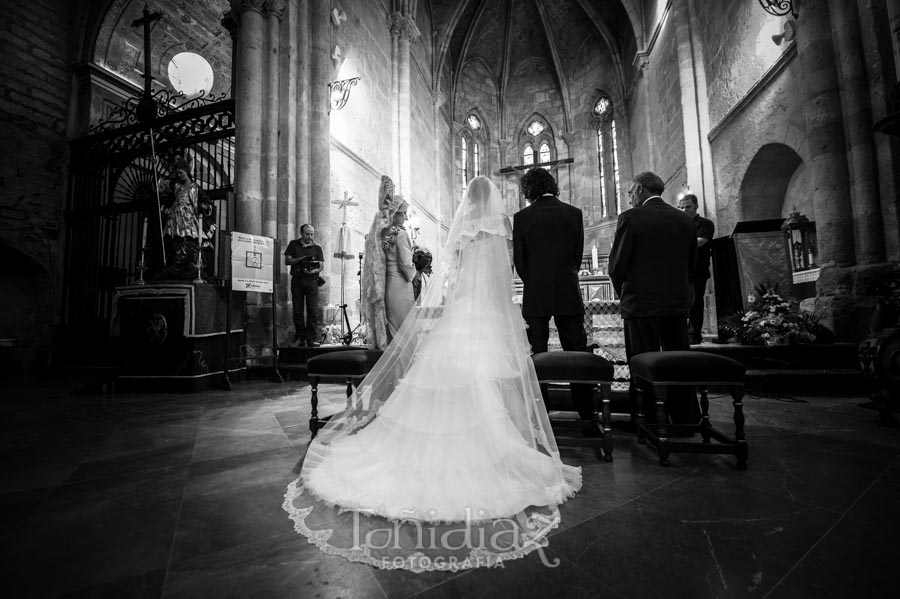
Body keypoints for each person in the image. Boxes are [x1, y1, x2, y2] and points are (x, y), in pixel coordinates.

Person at [284, 176, 581, 572]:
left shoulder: (463, 233)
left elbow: (454, 276)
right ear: (491, 201)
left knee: (447, 373)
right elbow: (509, 272)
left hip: (462, 313)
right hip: (491, 310)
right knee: (490, 375)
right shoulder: (503, 227)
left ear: (466, 203)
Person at [608, 171, 700, 425]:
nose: (629, 196)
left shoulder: (631, 218)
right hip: (676, 304)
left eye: (630, 191)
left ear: (640, 189)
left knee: (642, 362)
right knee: (678, 362)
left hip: (640, 304)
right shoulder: (685, 221)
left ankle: (647, 418)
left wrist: (625, 294)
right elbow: (691, 266)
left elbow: (616, 266)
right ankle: (685, 418)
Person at [513, 167, 595, 428]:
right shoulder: (574, 214)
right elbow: (577, 255)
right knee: (577, 353)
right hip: (568, 290)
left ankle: (541, 417)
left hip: (536, 293)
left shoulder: (522, 217)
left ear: (529, 189)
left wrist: (535, 281)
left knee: (537, 353)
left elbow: (520, 261)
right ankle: (587, 416)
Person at [361, 176, 415, 349]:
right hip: (400, 286)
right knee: (405, 332)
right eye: (404, 213)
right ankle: (403, 370)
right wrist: (416, 272)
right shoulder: (400, 234)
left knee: (392, 330)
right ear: (395, 213)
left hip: (386, 286)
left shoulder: (380, 234)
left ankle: (390, 370)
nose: (405, 218)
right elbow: (406, 265)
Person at [160, 155, 215, 279]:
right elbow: (167, 198)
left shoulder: (195, 188)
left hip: (189, 220)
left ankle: (191, 264)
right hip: (176, 220)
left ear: (187, 172)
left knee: (188, 240)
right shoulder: (177, 187)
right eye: (177, 173)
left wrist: (205, 206)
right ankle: (179, 262)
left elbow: (208, 202)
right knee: (176, 241)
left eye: (181, 172)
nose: (179, 175)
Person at [678, 193, 715, 344]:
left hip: (697, 270)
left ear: (696, 206)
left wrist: (678, 244)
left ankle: (694, 335)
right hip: (680, 271)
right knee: (681, 304)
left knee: (695, 303)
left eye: (688, 207)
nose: (685, 210)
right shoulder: (678, 224)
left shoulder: (705, 224)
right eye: (682, 208)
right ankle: (682, 334)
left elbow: (701, 241)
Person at [284, 224, 324, 347]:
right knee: (298, 310)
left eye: (312, 234)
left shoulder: (317, 248)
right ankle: (299, 338)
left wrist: (314, 271)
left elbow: (321, 266)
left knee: (312, 311)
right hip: (298, 280)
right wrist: (300, 259)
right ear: (301, 233)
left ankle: (310, 339)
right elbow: (287, 260)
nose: (310, 236)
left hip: (312, 281)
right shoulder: (293, 244)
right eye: (307, 234)